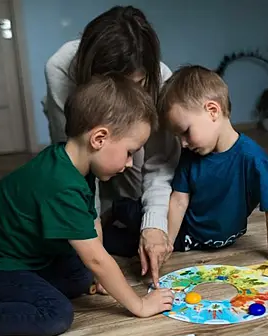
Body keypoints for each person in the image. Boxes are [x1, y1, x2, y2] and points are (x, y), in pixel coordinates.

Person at [0, 74, 175, 336]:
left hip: (15, 258)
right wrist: (138, 304)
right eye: (129, 152)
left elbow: (92, 225)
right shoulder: (60, 184)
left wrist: (98, 276)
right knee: (55, 314)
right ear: (99, 138)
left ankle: (19, 291)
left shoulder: (72, 162)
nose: (129, 164)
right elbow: (97, 258)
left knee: (81, 275)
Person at [44, 5, 179, 287]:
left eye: (138, 84)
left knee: (146, 214)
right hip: (80, 162)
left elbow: (159, 161)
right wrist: (95, 247)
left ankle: (116, 212)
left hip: (133, 166)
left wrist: (154, 224)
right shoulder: (60, 69)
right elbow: (75, 166)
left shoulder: (160, 79)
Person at [142, 64, 268, 264]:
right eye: (178, 136)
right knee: (131, 228)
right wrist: (167, 243)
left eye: (186, 131)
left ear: (213, 111)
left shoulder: (253, 158)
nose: (183, 143)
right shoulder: (190, 156)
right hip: (188, 236)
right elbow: (179, 200)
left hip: (221, 238)